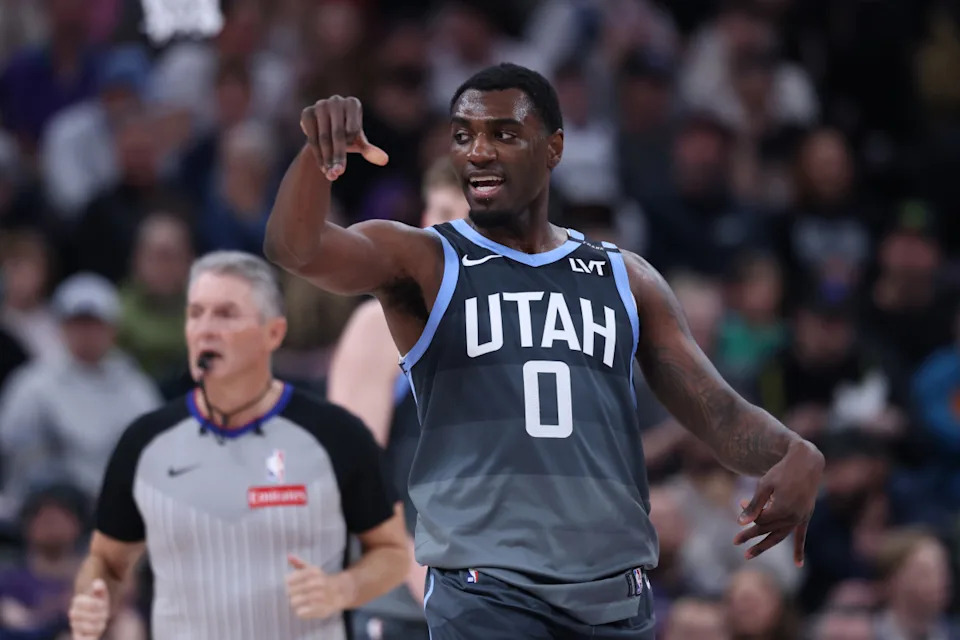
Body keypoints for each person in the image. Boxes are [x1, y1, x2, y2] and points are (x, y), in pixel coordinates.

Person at [264, 63, 824, 639]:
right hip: (488, 590)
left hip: (613, 594)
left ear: (554, 147)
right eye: (463, 136)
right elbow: (295, 248)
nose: (478, 151)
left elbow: (717, 411)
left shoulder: (624, 278)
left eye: (504, 134)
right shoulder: (426, 261)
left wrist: (793, 452)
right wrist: (317, 156)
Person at [67, 251, 409, 640]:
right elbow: (106, 562)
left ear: (273, 333)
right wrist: (92, 597)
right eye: (196, 313)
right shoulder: (144, 443)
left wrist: (341, 589)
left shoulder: (336, 435)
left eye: (226, 314)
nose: (205, 329)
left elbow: (392, 553)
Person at [327, 157, 469, 640]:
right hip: (406, 596)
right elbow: (355, 473)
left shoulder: (510, 329)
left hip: (495, 596)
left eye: (467, 217)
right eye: (440, 211)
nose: (447, 229)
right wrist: (417, 575)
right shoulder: (379, 325)